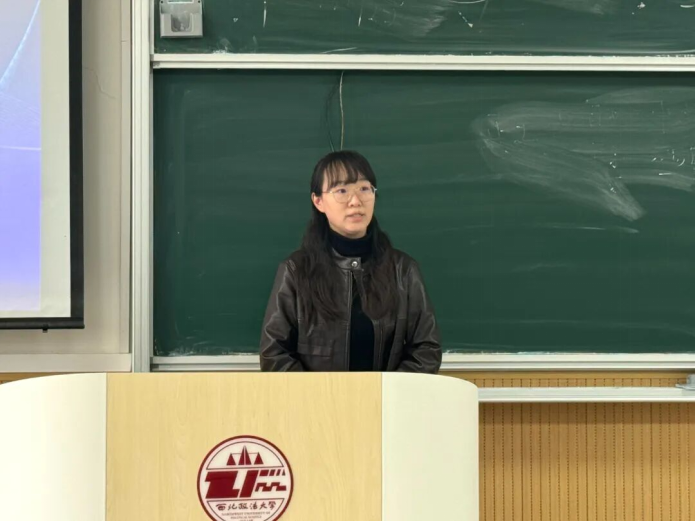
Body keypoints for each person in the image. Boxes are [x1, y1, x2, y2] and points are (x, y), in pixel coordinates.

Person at [259, 150, 441, 373]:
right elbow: (274, 353)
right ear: (318, 201)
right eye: (342, 191)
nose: (355, 201)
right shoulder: (296, 270)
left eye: (364, 189)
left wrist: (389, 391)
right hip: (316, 397)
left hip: (388, 396)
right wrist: (323, 394)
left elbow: (426, 349)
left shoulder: (403, 270)